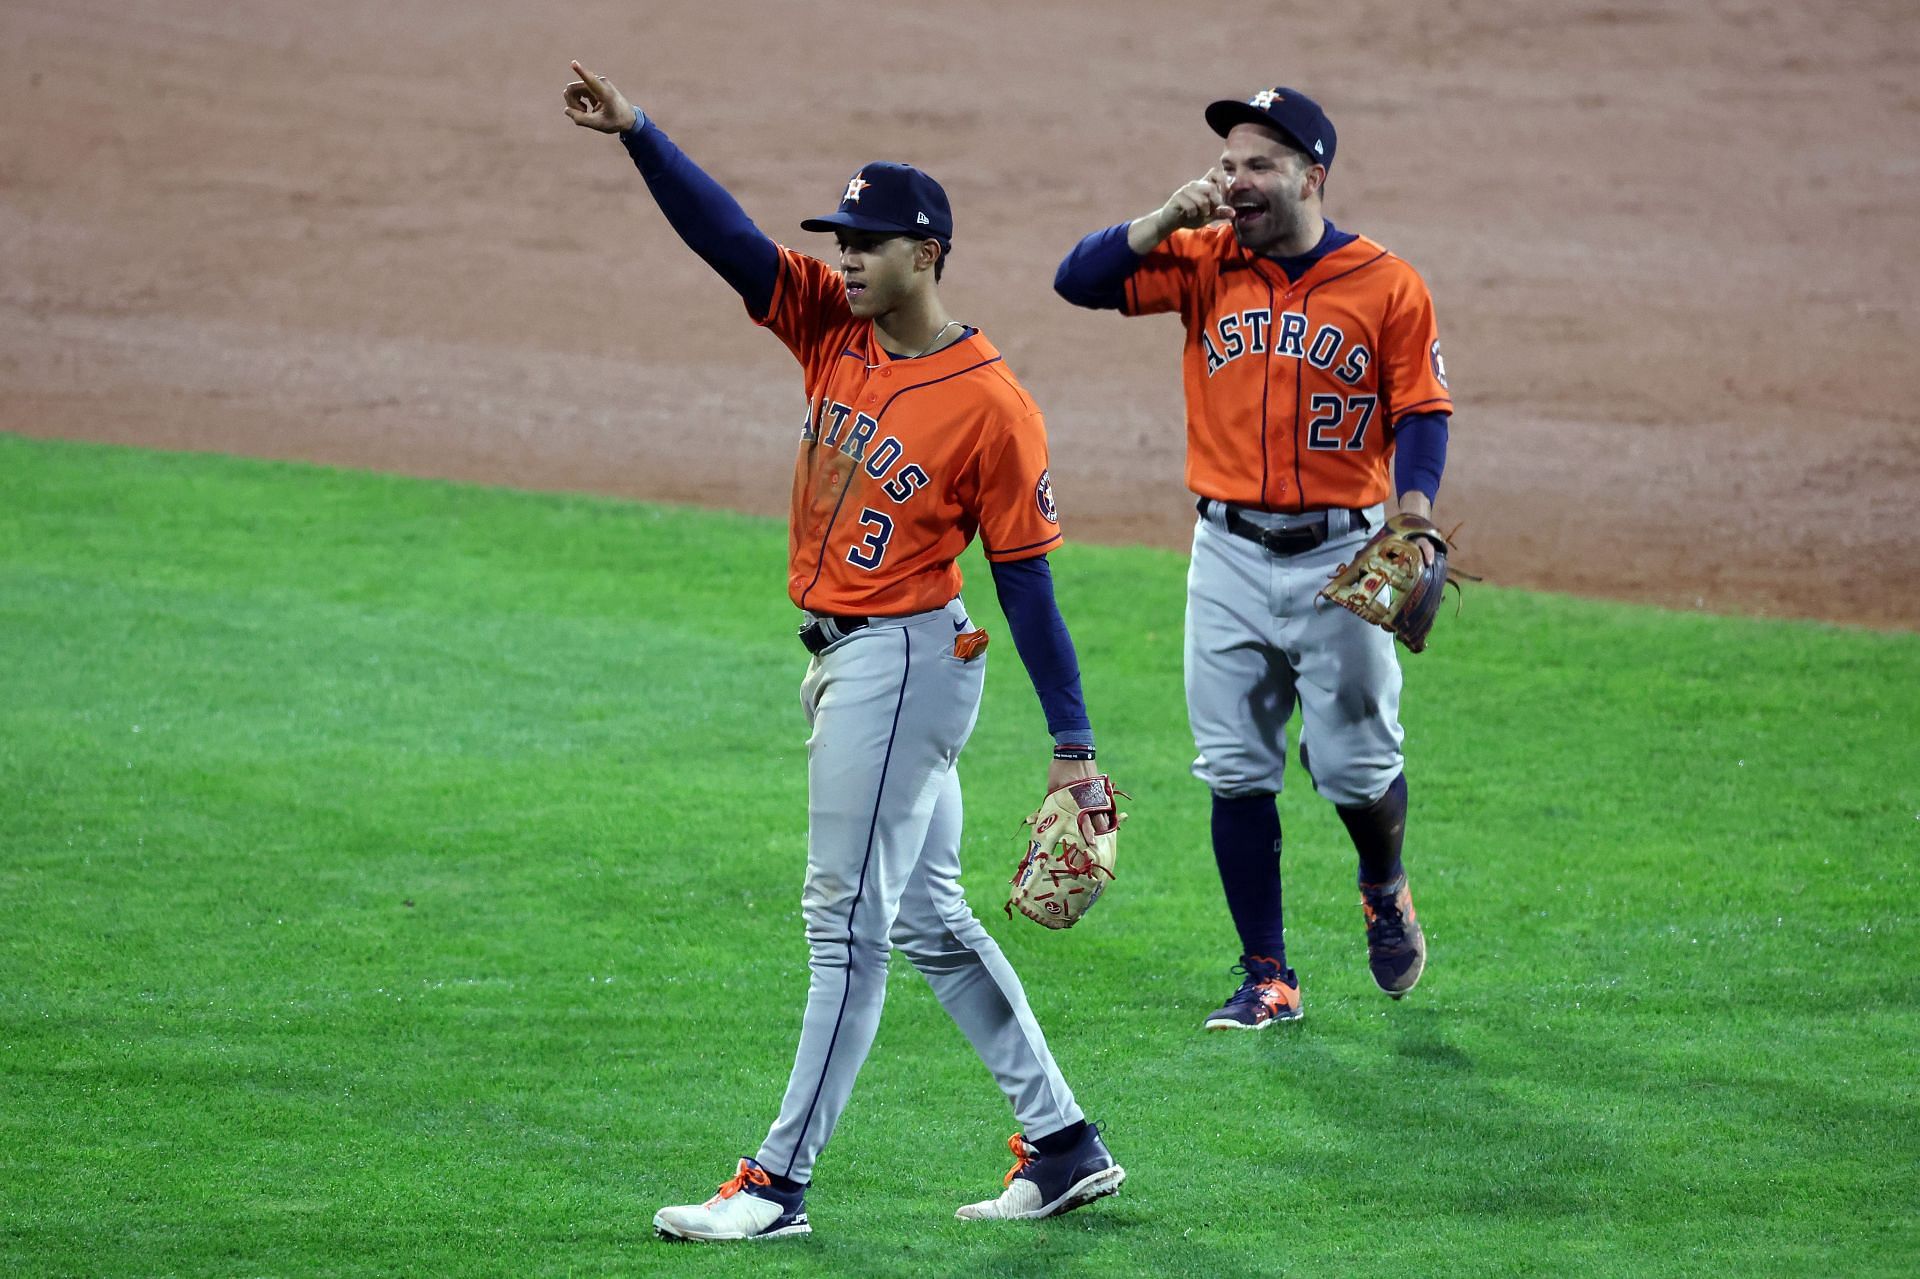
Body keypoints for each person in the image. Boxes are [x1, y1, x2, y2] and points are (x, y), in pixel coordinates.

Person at [561, 63, 1124, 1239]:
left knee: (844, 924)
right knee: (924, 918)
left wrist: (1073, 746)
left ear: (928, 253)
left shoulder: (993, 406)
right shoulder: (831, 326)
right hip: (844, 659)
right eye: (843, 238)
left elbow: (1027, 583)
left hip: (907, 663)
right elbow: (733, 244)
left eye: (869, 241)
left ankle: (776, 1182)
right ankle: (1066, 1141)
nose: (847, 256)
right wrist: (641, 135)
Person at [1054, 86, 1454, 1030]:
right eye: (1229, 164)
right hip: (1226, 552)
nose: (1236, 181)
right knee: (1235, 767)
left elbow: (1424, 411)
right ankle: (1267, 975)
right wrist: (1162, 218)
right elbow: (1077, 279)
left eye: (1258, 165)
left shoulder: (1388, 284)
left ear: (1312, 176)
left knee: (1358, 770)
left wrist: (1417, 512)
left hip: (1344, 554)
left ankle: (1383, 880)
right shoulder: (1200, 258)